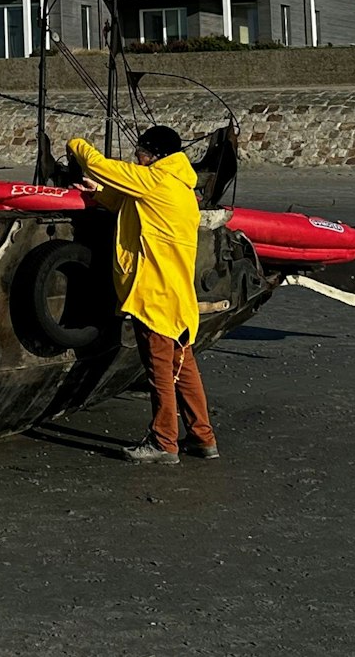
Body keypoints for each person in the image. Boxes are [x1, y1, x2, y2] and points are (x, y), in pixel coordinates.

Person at [68, 125, 217, 465]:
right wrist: (99, 193)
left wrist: (77, 145)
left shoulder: (155, 180)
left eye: (141, 152)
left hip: (154, 297)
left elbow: (103, 165)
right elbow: (129, 202)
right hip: (178, 296)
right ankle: (203, 437)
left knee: (160, 371)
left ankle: (164, 442)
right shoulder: (178, 188)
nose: (138, 157)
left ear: (156, 155)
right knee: (184, 368)